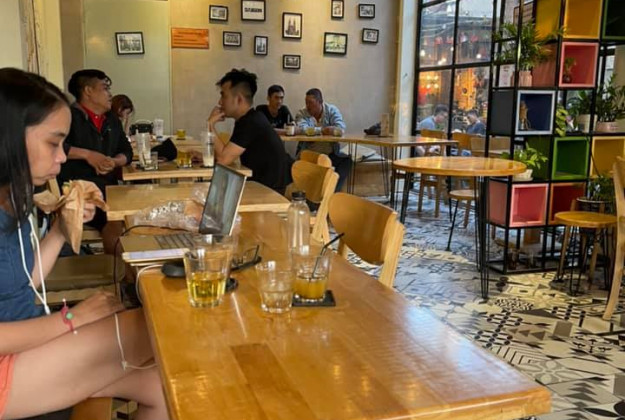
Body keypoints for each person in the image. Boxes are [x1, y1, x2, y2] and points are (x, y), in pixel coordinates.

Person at [0, 68, 168, 419]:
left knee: (161, 387)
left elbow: (23, 280)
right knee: (158, 327)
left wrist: (61, 230)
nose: (62, 157)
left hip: (32, 344)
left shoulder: (12, 199)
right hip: (8, 368)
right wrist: (72, 319)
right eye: (53, 143)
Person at [58, 69, 133, 254]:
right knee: (114, 215)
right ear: (88, 91)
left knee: (132, 210)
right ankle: (119, 268)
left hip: (108, 188)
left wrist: (115, 161)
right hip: (77, 189)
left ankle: (128, 263)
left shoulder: (111, 119)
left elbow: (127, 152)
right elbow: (55, 146)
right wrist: (87, 155)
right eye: (105, 88)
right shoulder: (67, 116)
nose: (110, 94)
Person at [207, 69, 293, 194]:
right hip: (260, 185)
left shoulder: (250, 122)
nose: (220, 102)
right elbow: (227, 155)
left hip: (269, 192)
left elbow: (223, 160)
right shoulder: (248, 119)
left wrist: (210, 125)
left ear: (239, 99)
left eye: (223, 96)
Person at [294, 88, 351, 190]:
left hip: (330, 154)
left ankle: (332, 192)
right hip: (309, 154)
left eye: (310, 103)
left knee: (347, 161)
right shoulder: (302, 113)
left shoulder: (332, 110)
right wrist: (323, 130)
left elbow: (340, 129)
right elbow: (302, 130)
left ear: (320, 102)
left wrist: (332, 130)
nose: (307, 106)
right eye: (306, 102)